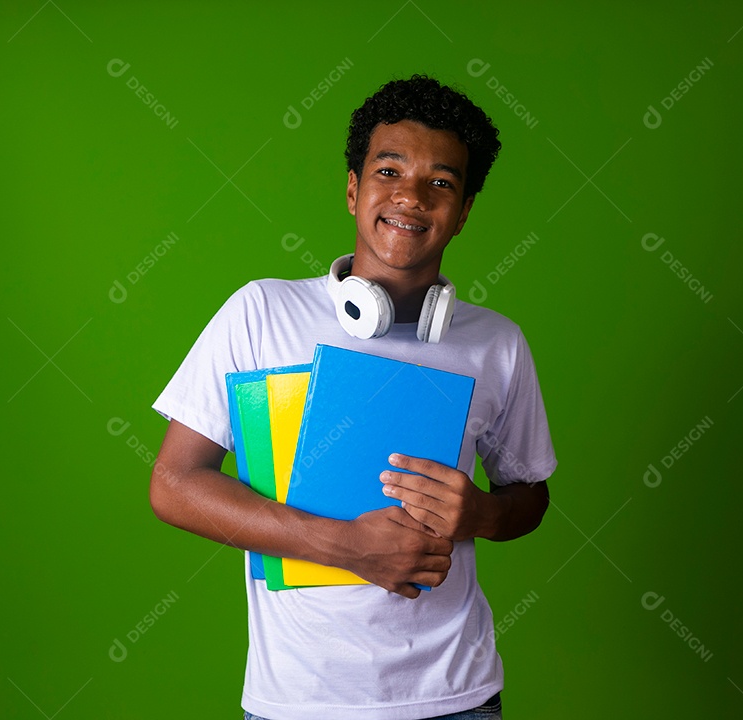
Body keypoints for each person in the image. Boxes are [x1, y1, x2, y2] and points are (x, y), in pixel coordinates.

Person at [150, 74, 556, 720]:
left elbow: (529, 498)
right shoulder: (260, 312)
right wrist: (345, 545)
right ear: (352, 189)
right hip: (299, 702)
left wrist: (478, 513)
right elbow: (174, 484)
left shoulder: (497, 343)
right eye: (389, 171)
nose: (411, 198)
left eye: (441, 183)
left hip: (457, 696)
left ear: (465, 209)